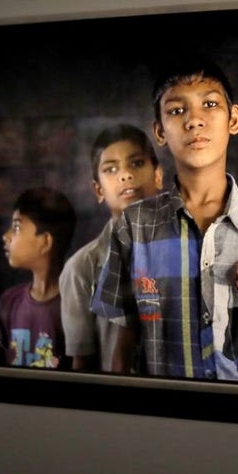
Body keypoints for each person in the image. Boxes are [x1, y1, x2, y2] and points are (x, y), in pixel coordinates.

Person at [91, 56, 238, 384]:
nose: (194, 120)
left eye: (210, 104)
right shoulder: (133, 226)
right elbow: (124, 342)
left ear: (234, 118)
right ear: (159, 130)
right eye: (176, 110)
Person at [59, 124, 162, 372]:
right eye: (111, 169)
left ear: (158, 175)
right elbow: (82, 363)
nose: (125, 175)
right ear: (98, 190)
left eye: (136, 163)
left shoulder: (189, 246)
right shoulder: (81, 267)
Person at [0, 187, 77, 370]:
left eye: (16, 227)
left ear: (45, 241)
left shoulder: (75, 303)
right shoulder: (9, 301)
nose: (6, 236)